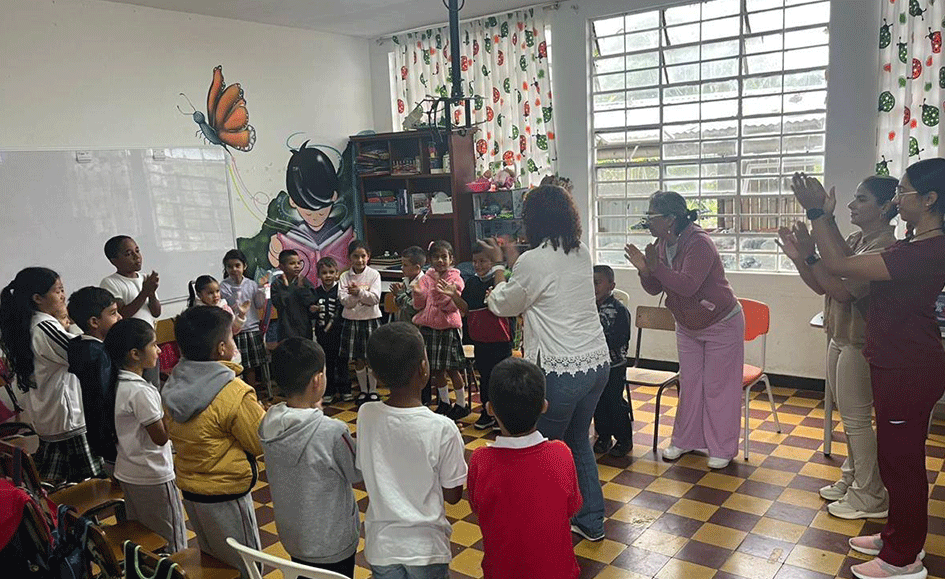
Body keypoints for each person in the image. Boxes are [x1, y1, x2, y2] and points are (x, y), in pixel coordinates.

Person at [791, 162, 945, 579]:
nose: (899, 199)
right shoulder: (915, 245)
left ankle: (903, 557)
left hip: (909, 367)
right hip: (896, 362)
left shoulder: (928, 251)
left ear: (930, 200)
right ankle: (897, 533)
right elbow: (840, 264)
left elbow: (839, 268)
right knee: (896, 460)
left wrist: (818, 213)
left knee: (903, 463)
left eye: (906, 192)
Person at [480, 177, 610, 542]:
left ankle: (537, 526)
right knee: (578, 441)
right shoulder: (580, 251)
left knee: (537, 453)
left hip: (561, 370)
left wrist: (502, 269)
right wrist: (514, 264)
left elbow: (504, 304)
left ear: (533, 220)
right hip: (595, 363)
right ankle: (590, 520)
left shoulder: (534, 261)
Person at [777, 177, 896, 521]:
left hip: (859, 343)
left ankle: (870, 494)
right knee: (850, 420)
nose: (852, 205)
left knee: (857, 421)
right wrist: (803, 259)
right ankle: (854, 478)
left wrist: (815, 240)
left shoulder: (884, 245)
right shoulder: (859, 239)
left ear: (886, 207)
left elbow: (844, 291)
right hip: (840, 336)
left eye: (861, 199)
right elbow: (823, 285)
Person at [625, 190, 743, 470]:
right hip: (688, 325)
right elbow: (656, 288)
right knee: (689, 384)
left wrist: (655, 268)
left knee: (718, 388)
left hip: (721, 323)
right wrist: (645, 270)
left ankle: (721, 448)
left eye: (652, 216)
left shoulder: (699, 243)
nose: (647, 222)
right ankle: (686, 439)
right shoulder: (661, 243)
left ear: (670, 218)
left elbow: (688, 285)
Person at [161, 306, 265, 576]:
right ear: (221, 348)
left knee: (214, 563)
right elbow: (258, 442)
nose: (233, 343)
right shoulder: (234, 391)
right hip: (226, 491)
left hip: (192, 491)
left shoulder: (173, 383)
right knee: (246, 567)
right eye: (231, 338)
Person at [358, 322, 467, 579]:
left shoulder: (366, 414)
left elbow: (366, 469)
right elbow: (453, 495)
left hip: (382, 546)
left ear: (375, 375)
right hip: (427, 549)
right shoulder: (443, 428)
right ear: (424, 368)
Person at [467, 357, 581, 579]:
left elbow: (477, 508)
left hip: (501, 571)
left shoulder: (481, 460)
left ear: (490, 409)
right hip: (558, 572)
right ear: (544, 406)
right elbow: (572, 507)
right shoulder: (561, 453)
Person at [259, 338, 361, 578]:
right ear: (318, 380)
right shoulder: (333, 432)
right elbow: (357, 471)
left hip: (295, 538)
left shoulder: (268, 422)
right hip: (332, 543)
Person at [0, 268, 103, 483]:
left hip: (51, 416)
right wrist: (97, 333)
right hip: (66, 420)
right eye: (58, 291)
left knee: (63, 483)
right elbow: (83, 355)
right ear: (38, 298)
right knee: (87, 484)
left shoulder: (29, 324)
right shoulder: (44, 326)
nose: (63, 296)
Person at [105, 318, 187, 553]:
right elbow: (160, 438)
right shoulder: (141, 391)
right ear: (134, 354)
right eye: (153, 345)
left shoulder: (117, 383)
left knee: (145, 539)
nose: (159, 350)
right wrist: (170, 412)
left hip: (129, 471)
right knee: (171, 541)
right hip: (153, 475)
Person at [268, 143, 355, 285]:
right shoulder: (290, 238)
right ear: (293, 202)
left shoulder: (341, 235)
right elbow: (278, 268)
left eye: (321, 212)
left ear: (333, 197)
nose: (315, 216)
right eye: (308, 212)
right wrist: (276, 254)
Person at [67, 286, 123, 477]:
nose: (120, 318)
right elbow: (105, 399)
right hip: (107, 435)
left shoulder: (78, 346)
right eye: (114, 313)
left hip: (93, 432)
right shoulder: (98, 356)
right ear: (94, 322)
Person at [412, 240, 469, 420]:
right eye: (436, 257)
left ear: (451, 259)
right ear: (430, 259)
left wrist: (436, 289)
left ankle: (461, 404)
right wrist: (418, 293)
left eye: (444, 257)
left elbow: (448, 306)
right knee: (436, 370)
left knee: (453, 370)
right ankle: (444, 402)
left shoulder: (455, 279)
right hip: (430, 328)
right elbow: (419, 305)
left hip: (447, 329)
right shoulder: (427, 277)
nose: (440, 261)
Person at [461, 242, 513, 430]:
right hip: (480, 339)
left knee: (501, 378)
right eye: (475, 261)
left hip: (500, 339)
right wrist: (452, 295)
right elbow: (466, 309)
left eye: (483, 261)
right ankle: (487, 412)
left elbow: (507, 307)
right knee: (485, 377)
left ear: (493, 261)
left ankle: (503, 415)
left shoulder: (500, 281)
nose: (478, 265)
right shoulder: (472, 282)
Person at [100, 235, 162, 388]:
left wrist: (151, 292)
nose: (137, 257)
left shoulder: (144, 278)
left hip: (149, 343)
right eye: (128, 254)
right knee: (136, 386)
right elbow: (123, 314)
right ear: (114, 260)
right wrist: (145, 291)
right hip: (130, 347)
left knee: (153, 385)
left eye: (137, 251)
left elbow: (156, 312)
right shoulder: (110, 283)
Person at [591, 265, 633, 458]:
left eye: (598, 282)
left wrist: (598, 341)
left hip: (614, 365)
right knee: (597, 401)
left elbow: (621, 338)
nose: (594, 287)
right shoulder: (589, 308)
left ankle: (624, 439)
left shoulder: (619, 310)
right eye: (591, 283)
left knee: (614, 402)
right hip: (594, 364)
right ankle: (603, 436)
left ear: (611, 285)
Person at [338, 239, 382, 403]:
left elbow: (375, 299)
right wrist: (361, 296)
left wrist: (358, 293)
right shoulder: (344, 276)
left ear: (368, 256)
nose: (360, 260)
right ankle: (363, 391)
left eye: (363, 256)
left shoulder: (374, 274)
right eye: (355, 256)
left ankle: (373, 390)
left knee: (372, 357)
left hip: (370, 320)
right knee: (358, 358)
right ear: (350, 258)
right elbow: (344, 302)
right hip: (352, 321)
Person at [221, 249, 270, 389]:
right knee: (238, 366)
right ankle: (240, 392)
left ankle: (252, 391)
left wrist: (261, 288)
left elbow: (260, 304)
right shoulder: (224, 286)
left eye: (237, 265)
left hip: (252, 329)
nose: (234, 269)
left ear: (244, 266)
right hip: (235, 331)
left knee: (252, 366)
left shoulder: (252, 284)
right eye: (230, 266)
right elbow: (231, 306)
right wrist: (237, 287)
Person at [313, 256, 351, 404]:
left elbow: (342, 308)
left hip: (340, 332)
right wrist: (313, 310)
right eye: (324, 273)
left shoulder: (340, 290)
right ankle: (329, 390)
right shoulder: (316, 292)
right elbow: (311, 312)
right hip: (322, 334)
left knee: (342, 361)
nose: (328, 276)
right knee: (327, 363)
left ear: (336, 274)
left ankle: (345, 390)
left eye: (331, 272)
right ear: (318, 275)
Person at [270, 249, 318, 341]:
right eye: (292, 263)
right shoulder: (277, 284)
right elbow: (279, 304)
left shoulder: (304, 282)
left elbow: (311, 302)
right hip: (286, 330)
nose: (297, 266)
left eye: (298, 263)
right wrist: (287, 288)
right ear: (282, 267)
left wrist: (301, 289)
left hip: (304, 330)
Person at [390, 246, 425, 324]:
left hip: (417, 328)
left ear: (417, 268)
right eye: (402, 265)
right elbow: (400, 305)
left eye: (405, 265)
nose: (402, 268)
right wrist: (397, 294)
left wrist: (399, 294)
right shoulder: (407, 280)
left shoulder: (423, 283)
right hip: (405, 324)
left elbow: (413, 308)